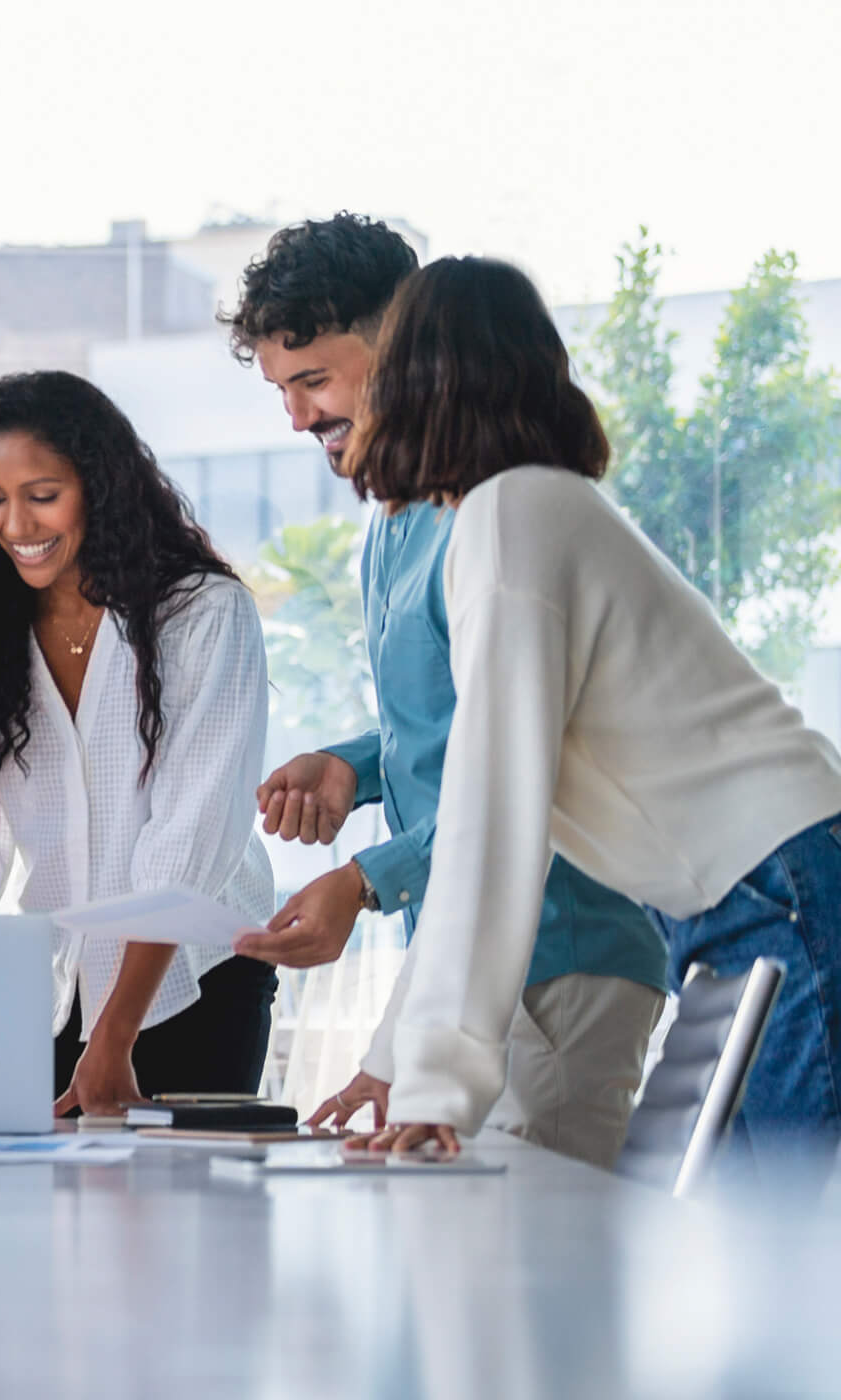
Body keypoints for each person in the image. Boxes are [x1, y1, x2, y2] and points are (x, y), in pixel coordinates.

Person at [326, 255, 841, 1170]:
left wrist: (436, 1084)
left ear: (412, 382)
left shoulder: (513, 517)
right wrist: (407, 1060)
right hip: (750, 896)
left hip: (777, 886)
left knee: (800, 1246)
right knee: (756, 1247)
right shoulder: (531, 510)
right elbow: (488, 820)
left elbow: (492, 814)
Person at [220, 216, 669, 1169]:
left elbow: (520, 771)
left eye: (316, 380)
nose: (298, 418)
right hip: (467, 962)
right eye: (281, 391)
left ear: (407, 346)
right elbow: (450, 726)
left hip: (558, 957)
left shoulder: (502, 514)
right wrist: (353, 766)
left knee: (530, 1280)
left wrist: (364, 880)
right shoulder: (392, 520)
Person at [0, 371, 278, 1114]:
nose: (16, 524)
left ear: (99, 487)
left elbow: (186, 846)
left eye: (43, 495)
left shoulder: (203, 615)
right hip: (56, 991)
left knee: (180, 1217)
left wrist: (113, 1041)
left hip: (194, 981)